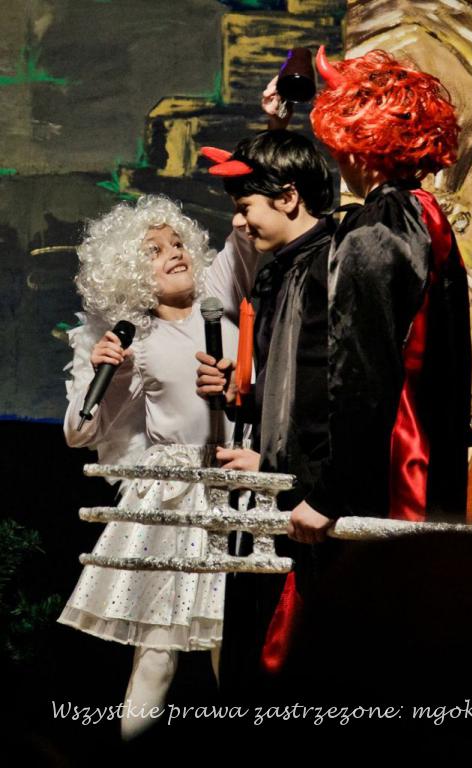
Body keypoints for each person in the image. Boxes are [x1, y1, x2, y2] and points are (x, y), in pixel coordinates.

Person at [197, 48, 472, 692]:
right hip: (407, 472)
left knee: (351, 667)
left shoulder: (379, 230)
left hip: (390, 485)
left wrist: (327, 494)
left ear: (361, 141)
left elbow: (361, 377)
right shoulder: (417, 215)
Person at [58, 194, 258, 738]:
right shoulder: (134, 341)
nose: (173, 252)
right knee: (158, 653)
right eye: (153, 250)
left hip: (241, 481)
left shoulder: (222, 300)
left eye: (177, 242)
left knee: (235, 645)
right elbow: (80, 433)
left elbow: (245, 235)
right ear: (128, 270)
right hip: (175, 496)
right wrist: (106, 371)